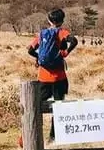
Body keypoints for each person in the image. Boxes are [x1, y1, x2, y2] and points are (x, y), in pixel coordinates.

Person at [27, 8, 78, 139]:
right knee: (59, 107)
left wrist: (38, 58)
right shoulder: (61, 32)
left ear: (49, 20)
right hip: (60, 78)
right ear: (62, 21)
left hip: (43, 77)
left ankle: (30, 135)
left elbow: (30, 50)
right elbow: (74, 41)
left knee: (36, 105)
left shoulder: (42, 34)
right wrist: (65, 53)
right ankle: (54, 136)